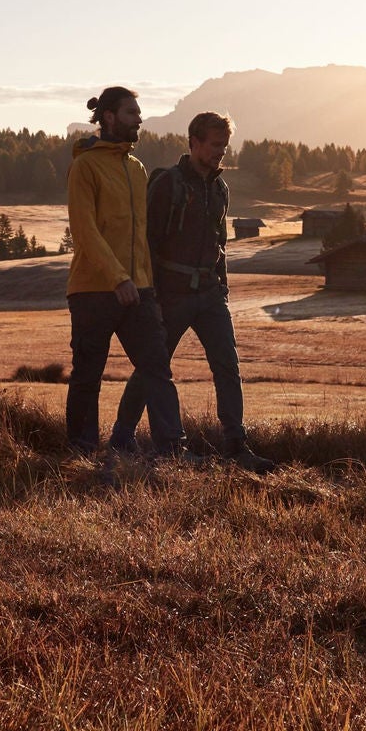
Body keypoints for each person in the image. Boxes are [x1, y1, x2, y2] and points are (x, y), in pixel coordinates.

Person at [109, 111, 274, 472]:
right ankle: (122, 436)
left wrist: (223, 287)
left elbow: (220, 243)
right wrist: (148, 296)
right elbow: (147, 242)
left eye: (225, 147)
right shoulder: (167, 184)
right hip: (171, 294)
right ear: (194, 142)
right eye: (215, 145)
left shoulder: (220, 188)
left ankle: (236, 445)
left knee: (227, 367)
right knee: (153, 366)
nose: (221, 153)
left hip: (211, 295)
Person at [64, 85, 182, 463]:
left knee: (156, 368)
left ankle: (170, 450)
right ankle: (83, 455)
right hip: (93, 290)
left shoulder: (136, 169)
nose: (139, 119)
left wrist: (148, 286)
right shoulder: (85, 166)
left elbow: (141, 236)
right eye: (132, 113)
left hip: (139, 291)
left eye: (139, 112)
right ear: (110, 117)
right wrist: (118, 277)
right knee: (88, 374)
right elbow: (85, 230)